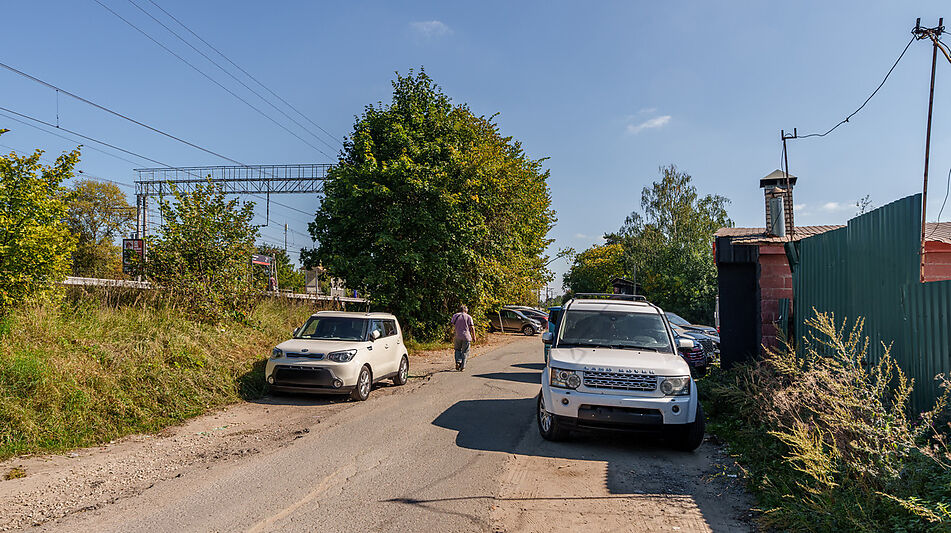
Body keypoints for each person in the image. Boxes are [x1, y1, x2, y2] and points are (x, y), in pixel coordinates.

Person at [450, 305, 476, 371]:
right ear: (466, 310)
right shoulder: (469, 317)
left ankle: (458, 362)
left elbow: (452, 324)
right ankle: (463, 367)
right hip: (466, 336)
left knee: (457, 350)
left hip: (457, 336)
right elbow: (472, 327)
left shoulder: (455, 316)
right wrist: (474, 337)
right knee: (465, 351)